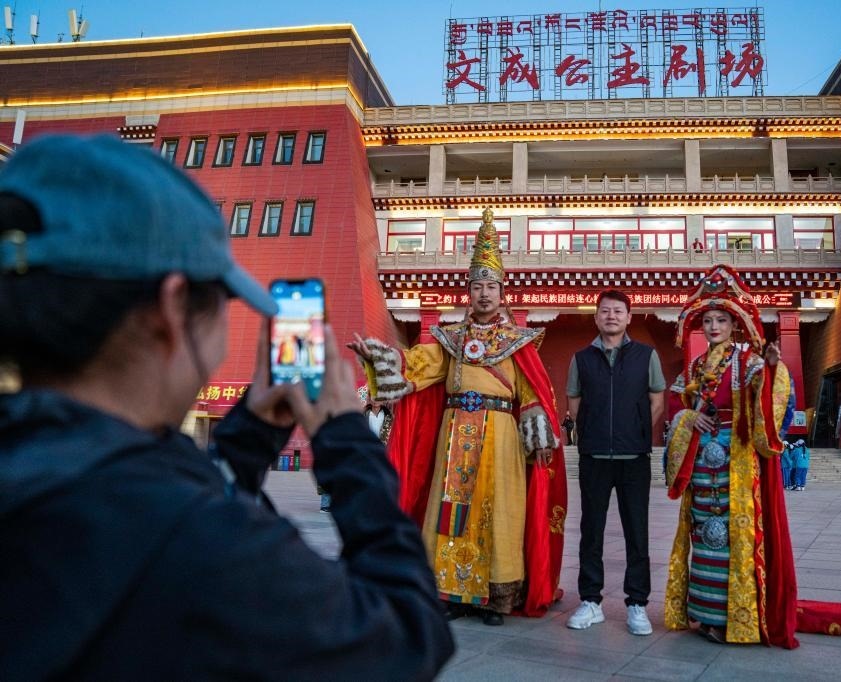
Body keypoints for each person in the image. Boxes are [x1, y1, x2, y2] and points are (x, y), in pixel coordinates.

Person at [0, 134, 454, 680]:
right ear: (172, 309)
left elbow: (162, 484)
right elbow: (407, 635)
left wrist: (253, 432)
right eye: (223, 303)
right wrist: (346, 437)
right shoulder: (205, 544)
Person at [348, 208, 567, 626]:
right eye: (478, 286)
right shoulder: (450, 340)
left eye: (491, 286)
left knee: (499, 512)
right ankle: (452, 592)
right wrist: (381, 355)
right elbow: (417, 364)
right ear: (468, 291)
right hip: (454, 437)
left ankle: (496, 599)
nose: (484, 294)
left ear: (502, 292)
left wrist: (538, 429)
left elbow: (532, 393)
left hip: (501, 437)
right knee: (450, 511)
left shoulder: (518, 343)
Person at [663, 265, 798, 648]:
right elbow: (676, 403)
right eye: (707, 320)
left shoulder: (749, 362)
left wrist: (771, 367)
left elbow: (768, 400)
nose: (713, 327)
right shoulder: (695, 366)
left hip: (737, 461)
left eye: (721, 320)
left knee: (732, 535)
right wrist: (690, 417)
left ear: (735, 323)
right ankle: (704, 613)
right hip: (701, 459)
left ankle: (734, 618)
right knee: (703, 532)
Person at [564, 290, 666, 636]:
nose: (611, 316)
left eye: (618, 311)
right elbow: (574, 402)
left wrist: (636, 431)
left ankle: (637, 603)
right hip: (593, 457)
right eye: (605, 311)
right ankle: (590, 601)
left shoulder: (646, 355)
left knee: (637, 531)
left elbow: (656, 400)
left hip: (634, 457)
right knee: (590, 531)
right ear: (596, 317)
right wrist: (591, 432)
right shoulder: (581, 359)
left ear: (628, 317)